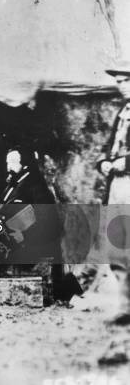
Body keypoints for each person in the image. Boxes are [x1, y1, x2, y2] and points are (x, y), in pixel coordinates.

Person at [96, 63, 130, 327]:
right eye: (119, 81)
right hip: (118, 185)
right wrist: (105, 163)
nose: (121, 86)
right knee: (117, 242)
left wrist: (126, 162)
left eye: (126, 80)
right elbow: (109, 148)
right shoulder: (122, 113)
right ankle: (125, 305)